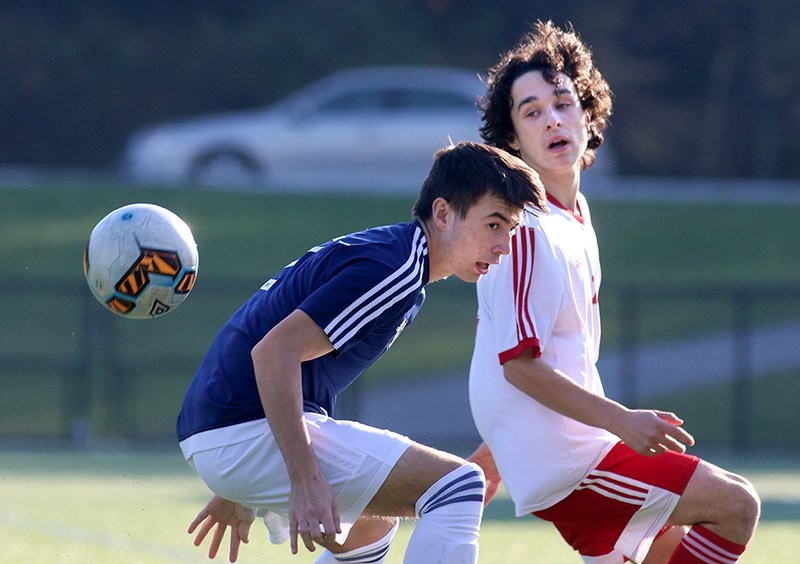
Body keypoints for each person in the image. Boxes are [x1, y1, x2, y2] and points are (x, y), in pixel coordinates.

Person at [467, 20, 761, 563]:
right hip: (571, 463)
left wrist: (487, 464)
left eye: (562, 102)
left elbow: (528, 360)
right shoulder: (527, 230)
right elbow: (518, 366)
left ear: (587, 112)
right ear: (511, 140)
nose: (552, 119)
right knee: (735, 505)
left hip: (574, 451)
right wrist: (622, 421)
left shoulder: (571, 217)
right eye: (531, 112)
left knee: (661, 554)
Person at [176, 140, 548, 563]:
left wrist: (237, 486)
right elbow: (273, 352)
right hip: (241, 429)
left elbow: (274, 349)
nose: (503, 245)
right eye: (494, 225)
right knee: (458, 486)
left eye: (510, 231)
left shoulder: (396, 259)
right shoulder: (394, 269)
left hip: (222, 428)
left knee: (368, 530)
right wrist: (302, 475)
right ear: (442, 213)